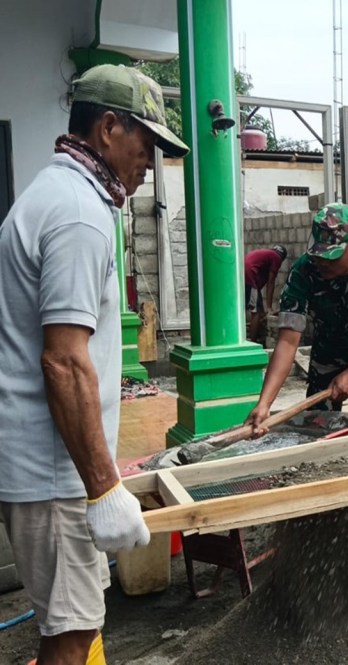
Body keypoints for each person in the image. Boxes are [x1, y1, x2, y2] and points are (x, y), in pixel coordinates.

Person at [0, 64, 189, 665]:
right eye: (147, 143)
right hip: (56, 475)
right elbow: (64, 361)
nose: (149, 163)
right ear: (108, 128)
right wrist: (104, 488)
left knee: (68, 627)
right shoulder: (79, 213)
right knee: (73, 633)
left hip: (46, 466)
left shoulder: (53, 194)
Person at [246, 202, 348, 433]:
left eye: (332, 256)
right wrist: (264, 404)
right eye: (318, 254)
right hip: (329, 349)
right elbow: (287, 341)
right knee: (318, 425)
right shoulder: (303, 272)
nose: (322, 262)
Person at [244, 244, 287, 342]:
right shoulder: (276, 257)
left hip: (241, 273)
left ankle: (252, 337)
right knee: (256, 312)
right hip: (249, 276)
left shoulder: (267, 254)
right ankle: (253, 342)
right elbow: (271, 282)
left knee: (257, 310)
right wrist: (269, 308)